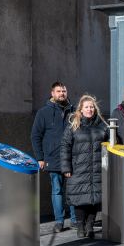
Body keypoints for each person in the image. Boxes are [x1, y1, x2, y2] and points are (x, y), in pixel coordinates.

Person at [60, 94, 108, 239]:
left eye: (92, 107)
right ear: (80, 109)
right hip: (78, 168)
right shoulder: (73, 125)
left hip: (97, 168)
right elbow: (65, 146)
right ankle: (80, 226)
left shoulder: (102, 125)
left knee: (94, 199)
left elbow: (110, 144)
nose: (89, 109)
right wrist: (66, 168)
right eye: (86, 107)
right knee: (80, 200)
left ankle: (90, 226)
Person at [31, 81, 77, 233]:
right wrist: (40, 158)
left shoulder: (74, 111)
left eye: (64, 91)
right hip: (52, 158)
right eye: (58, 91)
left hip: (71, 158)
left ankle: (75, 219)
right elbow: (35, 136)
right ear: (52, 93)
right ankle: (59, 221)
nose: (62, 94)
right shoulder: (43, 112)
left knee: (72, 190)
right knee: (57, 190)